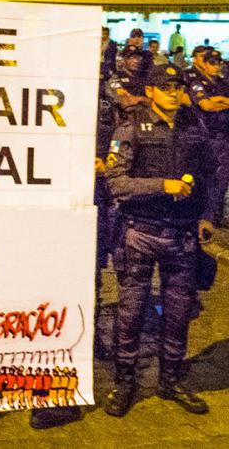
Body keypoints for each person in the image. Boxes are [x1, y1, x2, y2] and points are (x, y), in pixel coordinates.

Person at [104, 64, 217, 417]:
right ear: (150, 91)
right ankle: (125, 382)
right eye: (164, 86)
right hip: (141, 230)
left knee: (179, 312)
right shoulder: (130, 127)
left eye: (176, 86)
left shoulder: (193, 126)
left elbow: (212, 175)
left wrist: (208, 216)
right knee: (131, 311)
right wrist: (162, 185)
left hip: (182, 233)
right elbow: (116, 181)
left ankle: (171, 379)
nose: (172, 91)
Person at [185, 49, 229, 223]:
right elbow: (206, 105)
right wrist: (220, 101)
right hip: (207, 136)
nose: (216, 66)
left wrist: (220, 100)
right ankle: (203, 215)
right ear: (202, 63)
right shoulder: (196, 81)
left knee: (222, 179)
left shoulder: (222, 83)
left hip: (223, 135)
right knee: (206, 177)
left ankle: (214, 215)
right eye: (212, 62)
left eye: (218, 63)